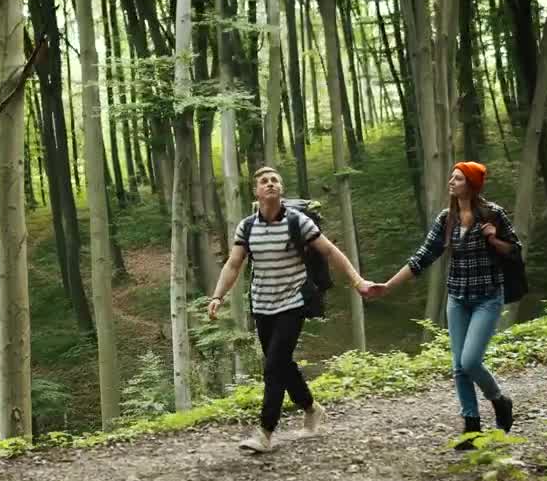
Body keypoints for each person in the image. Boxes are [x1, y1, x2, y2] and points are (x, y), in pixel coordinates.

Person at [208, 166, 374, 453]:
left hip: (292, 303)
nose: (270, 184)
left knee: (273, 367)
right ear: (256, 191)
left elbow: (330, 252)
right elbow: (234, 264)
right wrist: (218, 296)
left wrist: (357, 280)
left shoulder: (298, 222)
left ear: (280, 189)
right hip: (261, 305)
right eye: (264, 181)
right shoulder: (247, 227)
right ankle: (311, 408)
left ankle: (265, 431)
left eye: (275, 180)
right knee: (282, 365)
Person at [365, 161, 519, 450]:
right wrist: (387, 286)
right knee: (459, 367)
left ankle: (499, 400)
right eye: (452, 177)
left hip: (487, 298)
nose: (451, 181)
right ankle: (472, 429)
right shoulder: (445, 219)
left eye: (458, 178)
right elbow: (422, 257)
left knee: (470, 361)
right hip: (457, 299)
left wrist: (493, 239)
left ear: (471, 185)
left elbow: (514, 250)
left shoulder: (493, 214)